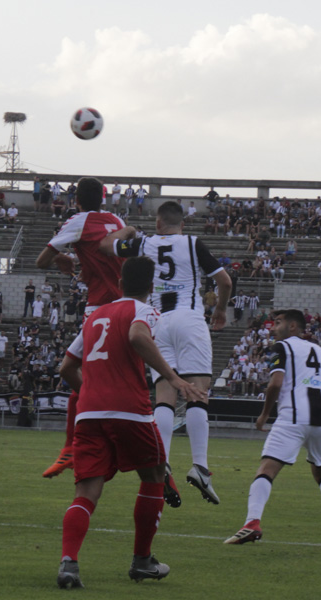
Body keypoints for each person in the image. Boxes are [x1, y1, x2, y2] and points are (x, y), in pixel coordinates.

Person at [55, 256, 203, 589]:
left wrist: (92, 392)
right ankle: (141, 561)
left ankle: (69, 564)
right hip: (130, 411)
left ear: (119, 285)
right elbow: (137, 337)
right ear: (151, 288)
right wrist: (174, 378)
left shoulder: (95, 316)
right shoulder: (145, 311)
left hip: (89, 414)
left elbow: (66, 367)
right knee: (154, 473)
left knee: (86, 492)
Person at [101, 200, 232, 506]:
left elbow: (106, 246)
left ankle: (163, 460)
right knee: (198, 392)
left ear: (158, 224)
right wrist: (221, 309)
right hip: (189, 318)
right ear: (181, 224)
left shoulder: (142, 243)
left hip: (157, 321)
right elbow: (224, 281)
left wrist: (128, 230)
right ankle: (200, 466)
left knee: (164, 395)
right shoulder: (192, 243)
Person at [224, 309, 321, 547]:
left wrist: (264, 414)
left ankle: (252, 523)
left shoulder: (282, 347)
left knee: (267, 468)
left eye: (278, 322)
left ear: (293, 326)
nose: (272, 328)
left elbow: (275, 384)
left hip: (294, 416)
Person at [36, 177, 126, 478]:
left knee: (75, 372)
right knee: (119, 378)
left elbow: (41, 261)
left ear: (76, 201)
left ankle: (72, 447)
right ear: (103, 198)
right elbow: (111, 255)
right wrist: (78, 258)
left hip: (99, 308)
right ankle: (111, 442)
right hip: (128, 307)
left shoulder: (78, 221)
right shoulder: (116, 219)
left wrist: (62, 257)